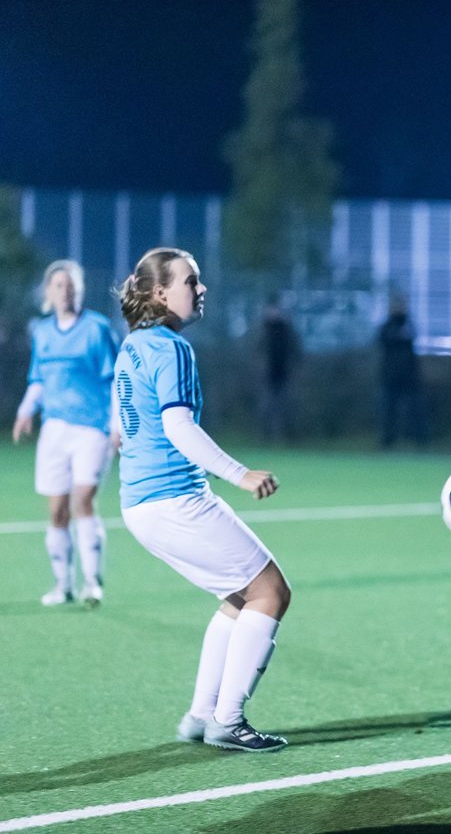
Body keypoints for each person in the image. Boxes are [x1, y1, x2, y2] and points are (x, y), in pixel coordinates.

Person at [114, 247, 291, 752]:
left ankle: (200, 715)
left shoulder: (134, 345)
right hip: (174, 500)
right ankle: (228, 721)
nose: (201, 288)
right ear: (159, 293)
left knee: (238, 599)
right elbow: (178, 427)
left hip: (141, 504)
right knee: (271, 592)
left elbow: (123, 421)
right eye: (191, 281)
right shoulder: (171, 348)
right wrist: (240, 474)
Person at [12, 260, 119, 607]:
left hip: (92, 428)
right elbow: (39, 378)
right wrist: (26, 411)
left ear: (80, 289)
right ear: (48, 291)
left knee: (83, 501)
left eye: (70, 284)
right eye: (58, 285)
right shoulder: (42, 332)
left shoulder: (97, 328)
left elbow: (115, 380)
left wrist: (117, 425)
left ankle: (93, 582)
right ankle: (63, 585)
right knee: (57, 509)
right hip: (55, 429)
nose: (65, 291)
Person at [377, 297, 425, 447]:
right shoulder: (387, 326)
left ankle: (416, 439)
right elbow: (384, 341)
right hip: (390, 376)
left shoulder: (408, 324)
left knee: (413, 409)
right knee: (389, 410)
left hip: (408, 376)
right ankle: (388, 440)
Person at [257, 294, 301, 443]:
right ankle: (265, 436)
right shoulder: (262, 329)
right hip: (266, 375)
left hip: (284, 373)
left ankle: (284, 437)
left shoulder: (286, 329)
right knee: (266, 406)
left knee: (285, 406)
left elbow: (295, 350)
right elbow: (256, 351)